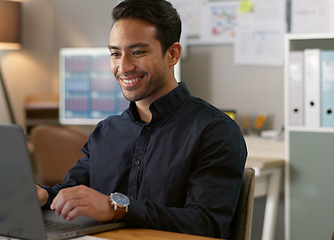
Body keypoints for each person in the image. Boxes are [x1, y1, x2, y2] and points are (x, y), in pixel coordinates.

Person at [36, 0, 247, 238]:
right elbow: (72, 192)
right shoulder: (105, 132)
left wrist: (117, 209)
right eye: (115, 53)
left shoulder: (214, 131)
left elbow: (207, 224)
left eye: (138, 52)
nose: (123, 66)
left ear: (172, 54)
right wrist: (45, 196)